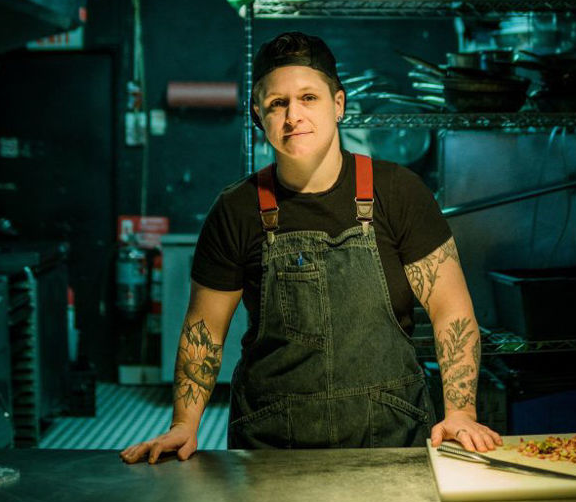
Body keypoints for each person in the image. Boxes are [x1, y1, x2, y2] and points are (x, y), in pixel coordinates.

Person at [121, 31, 501, 462]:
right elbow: (204, 329)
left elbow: (450, 308)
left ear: (338, 105)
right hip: (272, 445)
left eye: (308, 98)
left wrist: (461, 412)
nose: (292, 116)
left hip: (390, 438)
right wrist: (183, 425)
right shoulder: (236, 210)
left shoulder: (398, 193)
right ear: (257, 114)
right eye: (277, 103)